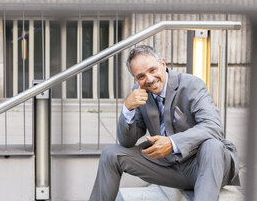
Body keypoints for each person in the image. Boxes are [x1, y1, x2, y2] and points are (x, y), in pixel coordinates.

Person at [89, 45, 239, 201]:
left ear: (163, 64)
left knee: (212, 145)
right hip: (170, 167)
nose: (149, 79)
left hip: (205, 165)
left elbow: (213, 127)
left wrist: (173, 143)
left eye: (152, 70)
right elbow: (127, 141)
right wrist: (127, 109)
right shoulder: (139, 93)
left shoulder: (191, 85)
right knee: (110, 154)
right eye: (141, 76)